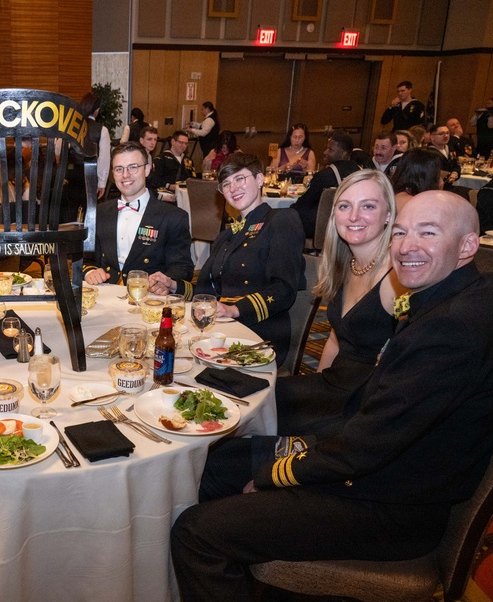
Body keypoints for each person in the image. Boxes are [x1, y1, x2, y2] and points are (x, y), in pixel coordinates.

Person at [170, 191, 493, 602]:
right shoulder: (479, 293)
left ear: (468, 246)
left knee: (196, 533)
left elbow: (361, 452)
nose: (408, 246)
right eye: (404, 232)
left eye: (429, 233)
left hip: (391, 505)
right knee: (212, 462)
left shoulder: (451, 330)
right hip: (379, 465)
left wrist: (270, 476)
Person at [275, 170, 401, 435]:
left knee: (247, 438)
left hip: (361, 406)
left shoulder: (397, 278)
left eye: (368, 206)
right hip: (333, 386)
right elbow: (336, 336)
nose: (354, 216)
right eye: (345, 206)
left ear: (388, 214)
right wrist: (315, 386)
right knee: (252, 400)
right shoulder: (347, 264)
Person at [152, 153, 304, 362]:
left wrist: (234, 309)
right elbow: (208, 294)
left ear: (259, 179)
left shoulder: (281, 220)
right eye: (226, 184)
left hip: (260, 334)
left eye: (240, 179)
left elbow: (284, 289)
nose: (233, 188)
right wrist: (173, 286)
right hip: (222, 330)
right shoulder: (227, 235)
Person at [83, 142, 193, 288]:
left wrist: (166, 281)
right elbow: (86, 259)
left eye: (133, 167)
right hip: (105, 295)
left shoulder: (173, 217)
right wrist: (90, 272)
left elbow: (182, 268)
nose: (125, 175)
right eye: (119, 169)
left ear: (147, 169)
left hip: (149, 299)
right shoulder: (99, 212)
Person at [291, 131, 361, 239]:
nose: (325, 152)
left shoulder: (324, 176)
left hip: (324, 228)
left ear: (343, 154)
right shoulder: (361, 172)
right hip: (353, 224)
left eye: (331, 149)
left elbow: (304, 204)